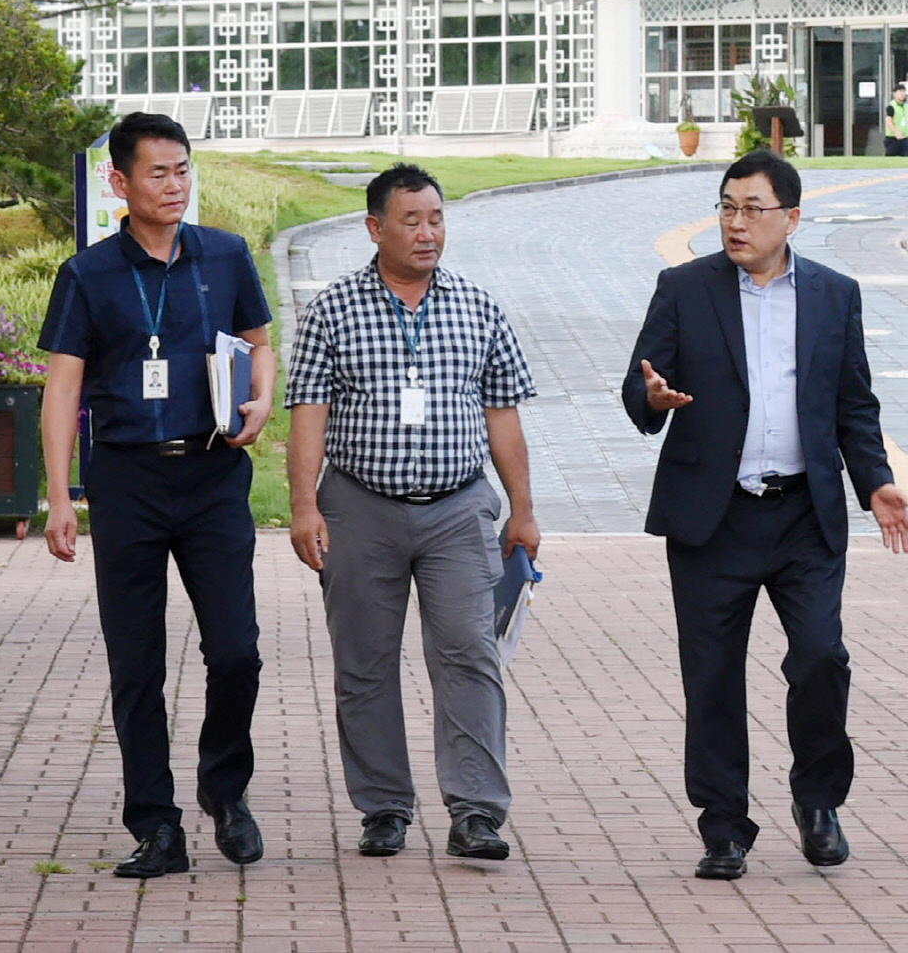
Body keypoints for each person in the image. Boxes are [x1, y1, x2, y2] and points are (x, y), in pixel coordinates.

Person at [621, 150, 908, 881]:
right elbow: (640, 388)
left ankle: (818, 802)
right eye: (727, 207)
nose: (736, 222)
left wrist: (876, 482)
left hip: (803, 517)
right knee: (712, 677)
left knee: (821, 656)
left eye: (752, 209)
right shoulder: (684, 288)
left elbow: (854, 403)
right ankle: (723, 826)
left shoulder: (834, 295)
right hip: (714, 518)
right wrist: (652, 399)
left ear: (792, 217)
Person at [38, 112, 276, 878]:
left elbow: (260, 345)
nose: (175, 186)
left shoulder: (225, 255)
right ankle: (156, 826)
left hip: (211, 474)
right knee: (136, 663)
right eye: (158, 173)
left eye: (182, 170)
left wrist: (262, 400)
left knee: (236, 651)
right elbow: (62, 389)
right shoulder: (87, 275)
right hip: (128, 481)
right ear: (119, 182)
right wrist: (61, 496)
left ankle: (224, 789)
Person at [284, 164, 539, 862]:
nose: (428, 233)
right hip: (359, 507)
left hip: (459, 509)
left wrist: (523, 511)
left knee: (470, 654)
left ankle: (477, 812)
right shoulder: (333, 310)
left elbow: (503, 415)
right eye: (411, 220)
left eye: (436, 219)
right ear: (375, 228)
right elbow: (309, 414)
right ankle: (384, 808)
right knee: (364, 662)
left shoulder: (478, 307)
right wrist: (304, 506)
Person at [884, 83, 908, 156]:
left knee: (907, 155)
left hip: (904, 137)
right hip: (893, 138)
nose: (902, 94)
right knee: (891, 157)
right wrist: (896, 132)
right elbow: (889, 121)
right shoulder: (891, 106)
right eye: (900, 91)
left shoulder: (907, 106)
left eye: (903, 91)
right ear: (895, 94)